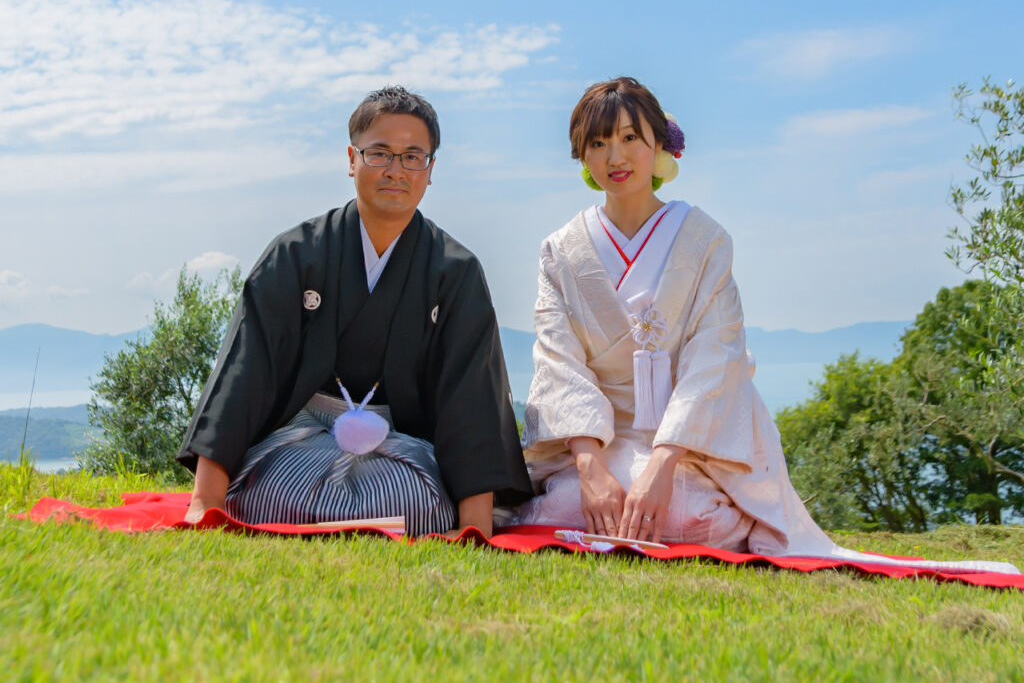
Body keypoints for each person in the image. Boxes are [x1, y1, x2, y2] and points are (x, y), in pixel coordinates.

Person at [514, 77, 1018, 573]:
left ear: (659, 144)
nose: (615, 157)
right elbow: (559, 361)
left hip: (684, 444)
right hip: (599, 442)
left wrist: (665, 463)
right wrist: (588, 465)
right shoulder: (562, 251)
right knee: (574, 505)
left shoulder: (704, 239)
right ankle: (603, 486)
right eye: (598, 143)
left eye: (629, 138)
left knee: (689, 517)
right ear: (582, 156)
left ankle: (671, 490)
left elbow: (715, 355)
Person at [179, 86, 532, 536]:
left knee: (420, 503)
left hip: (400, 444)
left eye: (412, 157)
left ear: (430, 169)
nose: (396, 170)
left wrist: (475, 525)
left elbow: (472, 395)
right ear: (352, 160)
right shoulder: (296, 254)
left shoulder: (454, 271)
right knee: (270, 491)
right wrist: (207, 501)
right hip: (302, 435)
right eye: (379, 153)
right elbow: (247, 369)